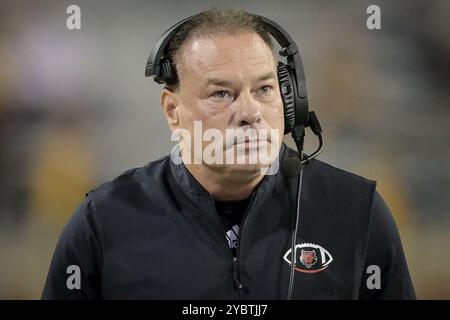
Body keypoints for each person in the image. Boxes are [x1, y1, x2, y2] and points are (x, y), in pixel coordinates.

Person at [42, 7, 415, 299]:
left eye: (265, 89)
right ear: (173, 111)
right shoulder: (105, 221)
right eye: (222, 94)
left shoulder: (355, 210)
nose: (250, 112)